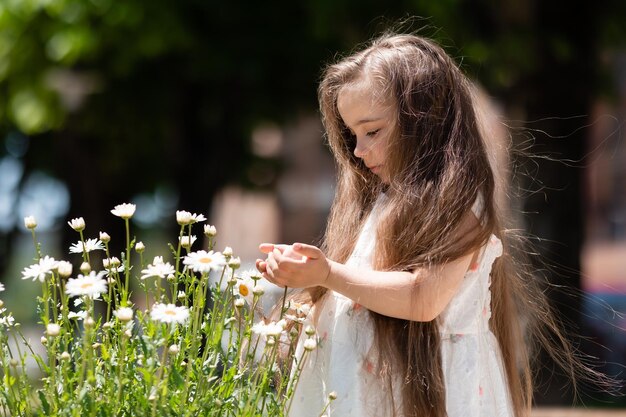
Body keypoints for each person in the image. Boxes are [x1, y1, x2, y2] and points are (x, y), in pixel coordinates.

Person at [255, 33, 571, 417]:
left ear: (426, 120)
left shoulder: (457, 205)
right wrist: (305, 304)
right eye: (352, 134)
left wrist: (327, 273)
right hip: (366, 391)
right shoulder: (377, 203)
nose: (358, 149)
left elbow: (423, 299)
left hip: (439, 393)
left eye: (372, 131)